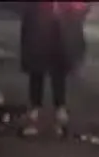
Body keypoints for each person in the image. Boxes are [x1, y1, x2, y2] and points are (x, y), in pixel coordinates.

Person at [19, 1, 88, 138]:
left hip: (58, 23)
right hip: (41, 22)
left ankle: (56, 109)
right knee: (39, 66)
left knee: (56, 67)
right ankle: (39, 109)